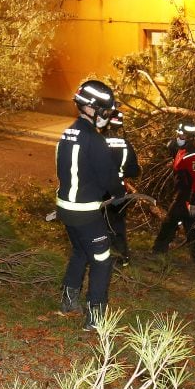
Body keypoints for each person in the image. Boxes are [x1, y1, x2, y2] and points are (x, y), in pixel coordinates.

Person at [55, 80, 123, 331]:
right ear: (93, 109)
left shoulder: (67, 133)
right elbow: (109, 179)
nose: (107, 117)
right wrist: (119, 193)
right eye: (106, 112)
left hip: (66, 208)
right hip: (85, 212)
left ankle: (68, 301)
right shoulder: (95, 141)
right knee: (102, 260)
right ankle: (96, 318)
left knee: (80, 252)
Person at [152, 120, 195, 262]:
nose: (178, 138)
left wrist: (194, 202)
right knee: (189, 225)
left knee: (176, 222)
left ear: (189, 137)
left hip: (187, 196)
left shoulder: (194, 156)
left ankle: (159, 249)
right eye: (178, 135)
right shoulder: (182, 149)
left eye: (181, 136)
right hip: (180, 193)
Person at [102, 110, 140, 266]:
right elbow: (135, 171)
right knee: (117, 224)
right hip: (119, 189)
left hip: (100, 189)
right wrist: (121, 171)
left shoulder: (98, 141)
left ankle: (104, 256)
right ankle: (122, 257)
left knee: (100, 223)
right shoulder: (126, 144)